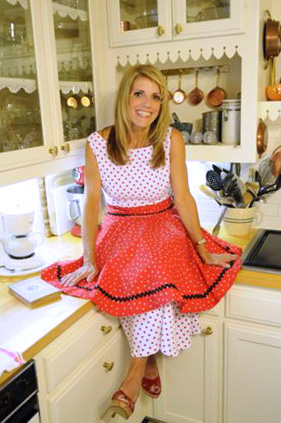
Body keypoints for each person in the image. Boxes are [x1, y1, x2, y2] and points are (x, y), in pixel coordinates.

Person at [41, 64, 242, 420]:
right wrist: (89, 259)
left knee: (157, 275)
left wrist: (202, 248)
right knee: (141, 276)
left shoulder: (171, 139)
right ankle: (149, 364)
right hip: (119, 229)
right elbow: (90, 204)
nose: (147, 104)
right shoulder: (99, 143)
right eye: (139, 94)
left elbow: (183, 197)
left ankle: (134, 374)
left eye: (155, 97)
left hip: (165, 226)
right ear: (125, 97)